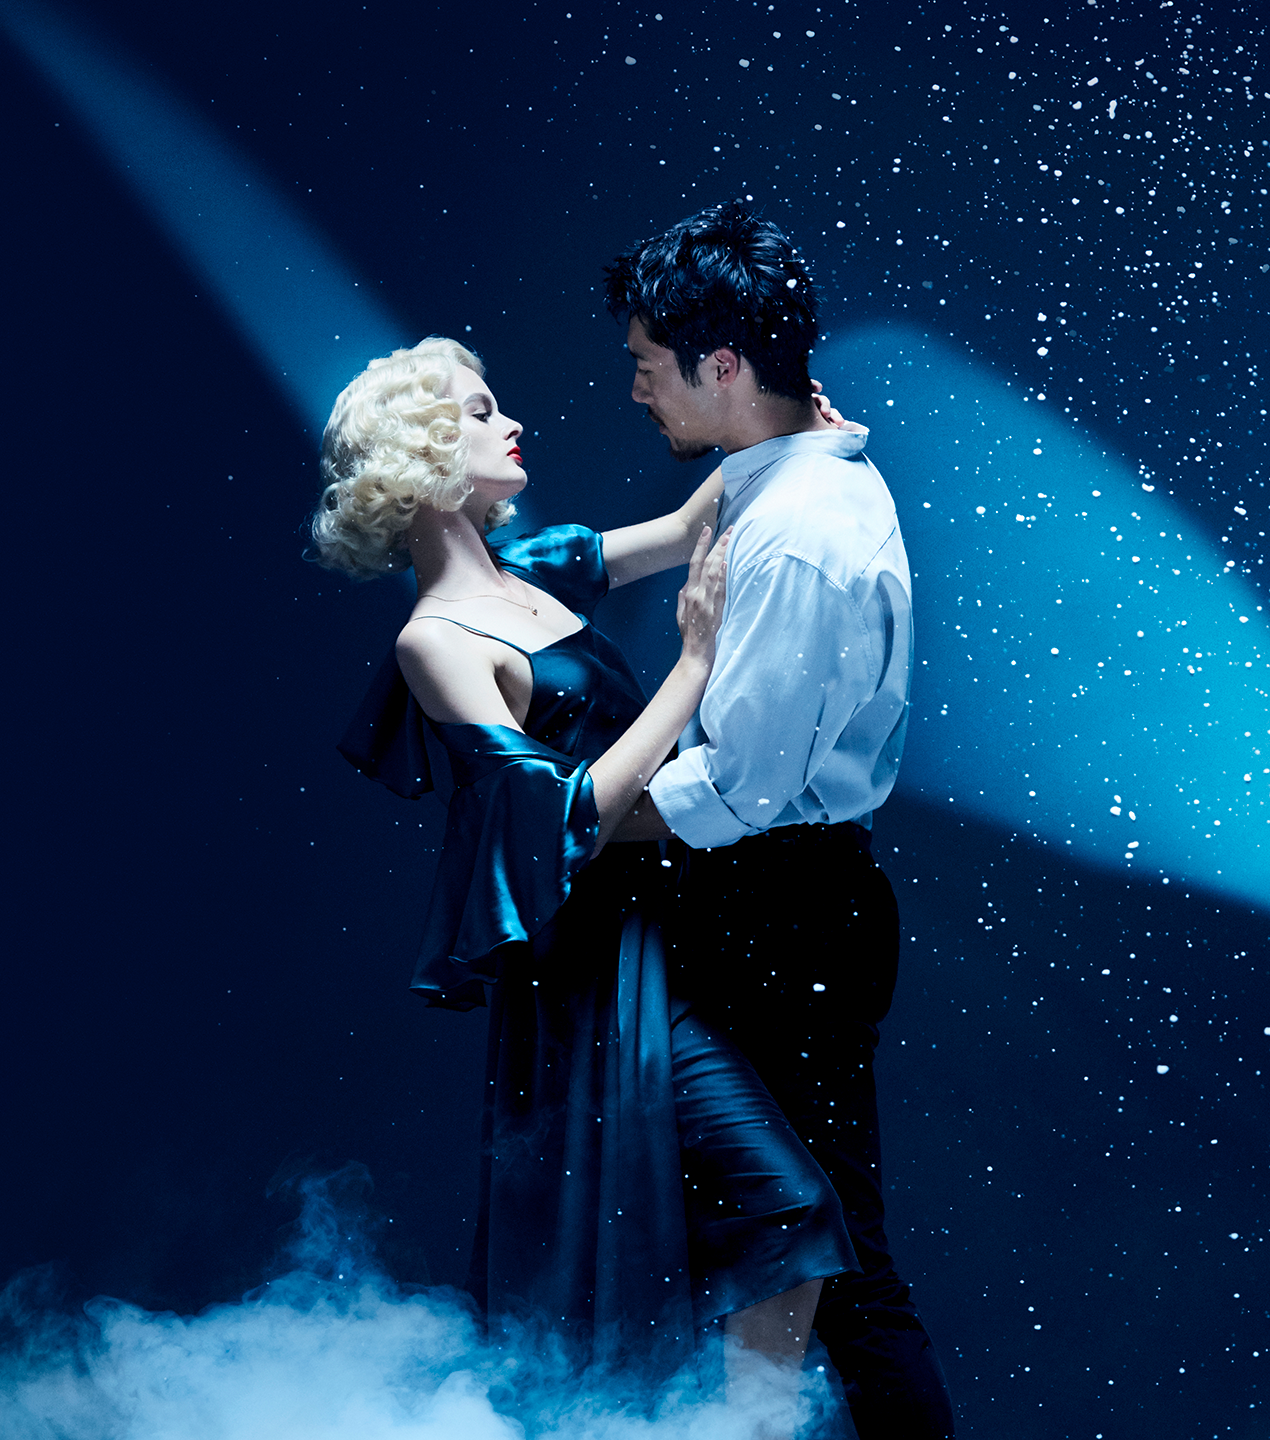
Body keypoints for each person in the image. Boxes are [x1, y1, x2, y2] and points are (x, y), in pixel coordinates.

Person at [312, 336, 856, 1420]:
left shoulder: (539, 571)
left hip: (675, 939)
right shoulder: (435, 643)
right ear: (417, 460)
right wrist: (694, 669)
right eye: (475, 413)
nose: (507, 422)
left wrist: (784, 442)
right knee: (776, 1212)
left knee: (766, 1220)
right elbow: (565, 822)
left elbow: (683, 528)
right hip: (589, 983)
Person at [604, 204, 956, 1436]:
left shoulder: (797, 533)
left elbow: (736, 783)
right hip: (788, 902)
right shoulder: (788, 467)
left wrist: (565, 825)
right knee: (780, 1248)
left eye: (648, 366)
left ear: (720, 365)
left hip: (780, 908)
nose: (633, 390)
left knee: (836, 1262)